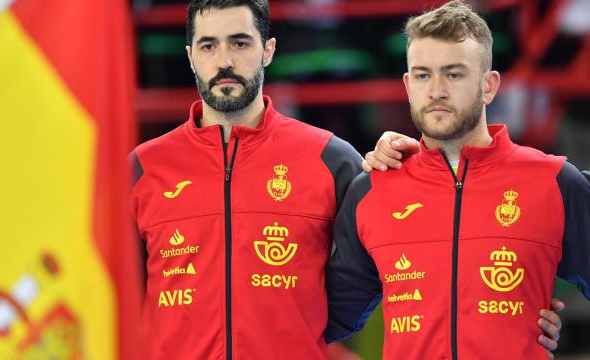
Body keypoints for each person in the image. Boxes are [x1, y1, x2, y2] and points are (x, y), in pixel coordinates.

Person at [129, 0, 564, 358]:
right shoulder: (143, 168)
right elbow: (110, 291)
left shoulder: (331, 158)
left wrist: (511, 313)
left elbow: (423, 249)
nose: (224, 61)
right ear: (189, 57)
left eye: (240, 43)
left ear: (268, 50)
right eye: (207, 46)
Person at [325, 1, 590, 359]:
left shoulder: (555, 183)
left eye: (453, 74)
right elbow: (321, 318)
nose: (436, 90)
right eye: (422, 74)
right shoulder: (371, 190)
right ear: (407, 84)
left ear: (489, 86)